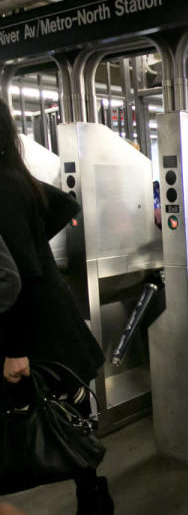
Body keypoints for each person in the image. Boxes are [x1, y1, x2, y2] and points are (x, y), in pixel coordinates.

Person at [0, 100, 114, 514]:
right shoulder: (18, 178)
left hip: (33, 334)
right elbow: (61, 206)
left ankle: (94, 502)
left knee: (59, 426)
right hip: (55, 326)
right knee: (71, 425)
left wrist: (13, 349)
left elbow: (12, 278)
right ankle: (95, 500)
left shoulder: (3, 185)